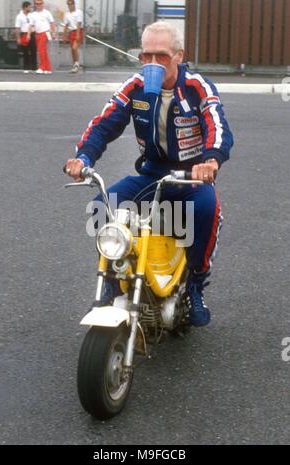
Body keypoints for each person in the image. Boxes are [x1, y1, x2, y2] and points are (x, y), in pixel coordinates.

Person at [65, 21, 234, 327]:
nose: (153, 64)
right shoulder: (136, 87)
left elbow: (217, 125)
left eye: (162, 56)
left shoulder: (197, 87)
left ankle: (195, 283)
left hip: (191, 177)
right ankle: (113, 280)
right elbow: (104, 123)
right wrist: (83, 158)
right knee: (101, 207)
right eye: (146, 56)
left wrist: (210, 160)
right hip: (152, 174)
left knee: (209, 209)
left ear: (178, 56)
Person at [29, 0, 56, 74]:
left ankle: (42, 67)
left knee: (41, 51)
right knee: (43, 51)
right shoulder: (33, 14)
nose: (38, 5)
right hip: (37, 34)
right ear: (35, 5)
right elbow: (31, 25)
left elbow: (52, 23)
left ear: (43, 4)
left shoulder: (47, 12)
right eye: (37, 4)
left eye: (40, 4)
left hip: (45, 33)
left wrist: (53, 33)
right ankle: (48, 68)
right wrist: (28, 34)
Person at [15, 1, 37, 73]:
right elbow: (17, 28)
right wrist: (18, 38)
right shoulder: (19, 16)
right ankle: (26, 68)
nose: (30, 8)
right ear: (25, 7)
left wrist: (31, 34)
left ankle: (34, 68)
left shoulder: (31, 15)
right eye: (29, 7)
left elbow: (33, 25)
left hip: (32, 34)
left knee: (33, 51)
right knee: (25, 52)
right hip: (23, 34)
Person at [62, 0, 84, 74]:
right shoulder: (66, 14)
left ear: (74, 4)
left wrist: (77, 34)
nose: (70, 6)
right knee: (72, 49)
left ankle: (77, 64)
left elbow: (79, 23)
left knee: (75, 48)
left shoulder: (79, 12)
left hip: (78, 31)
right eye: (68, 4)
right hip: (71, 32)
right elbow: (66, 25)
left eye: (71, 4)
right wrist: (64, 36)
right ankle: (75, 65)